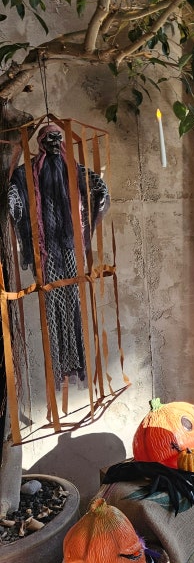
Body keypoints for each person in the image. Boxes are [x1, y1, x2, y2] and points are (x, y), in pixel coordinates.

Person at [9, 122, 110, 389]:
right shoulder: (28, 172)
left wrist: (99, 195)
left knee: (73, 303)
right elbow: (15, 191)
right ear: (41, 142)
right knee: (51, 306)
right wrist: (13, 200)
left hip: (69, 246)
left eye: (58, 137)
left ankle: (77, 364)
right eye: (49, 138)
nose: (54, 142)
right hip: (46, 251)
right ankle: (57, 368)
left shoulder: (74, 169)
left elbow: (98, 187)